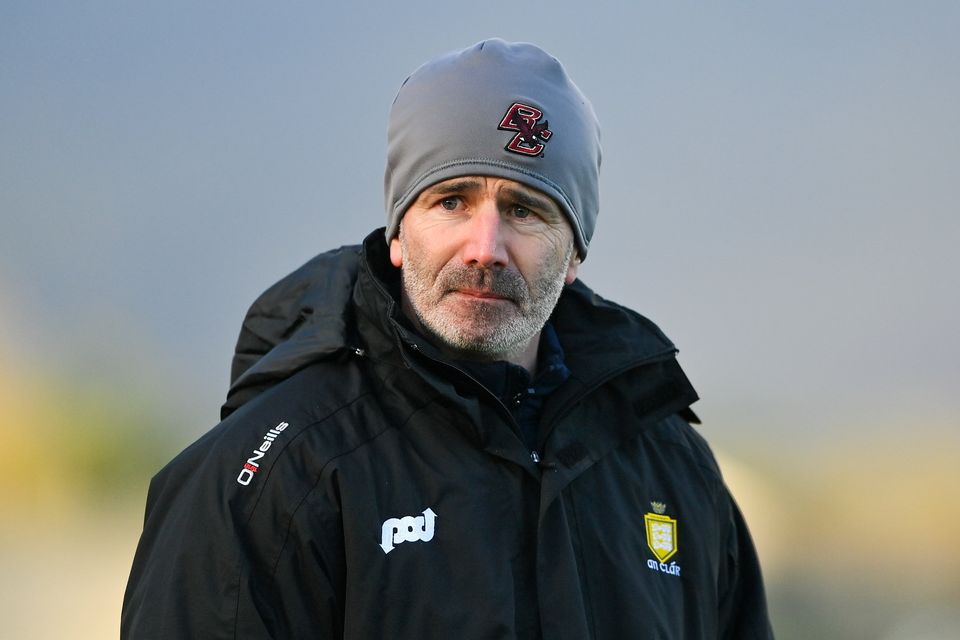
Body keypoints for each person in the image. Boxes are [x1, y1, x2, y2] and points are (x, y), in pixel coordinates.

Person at [121, 39, 774, 639]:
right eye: (452, 201)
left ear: (574, 254)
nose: (485, 248)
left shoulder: (675, 472)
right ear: (399, 233)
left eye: (524, 209)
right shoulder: (270, 476)